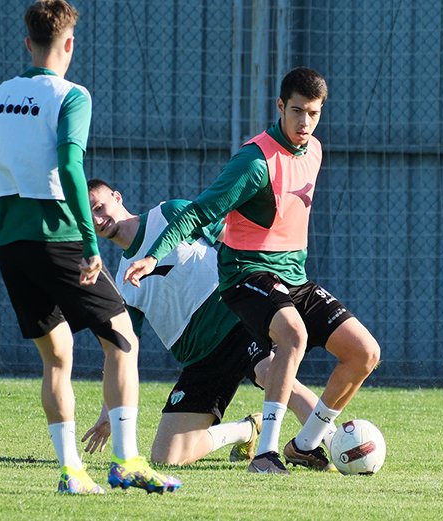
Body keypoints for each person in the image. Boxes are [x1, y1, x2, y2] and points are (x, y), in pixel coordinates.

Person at [0, 0, 180, 495]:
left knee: (57, 357)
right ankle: (126, 461)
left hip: (12, 247)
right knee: (123, 338)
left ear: (27, 42)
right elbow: (72, 167)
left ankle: (72, 471)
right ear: (70, 44)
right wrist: (88, 240)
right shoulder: (72, 96)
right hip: (59, 240)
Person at [124, 67, 381, 474]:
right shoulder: (254, 161)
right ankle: (265, 454)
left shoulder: (314, 151)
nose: (305, 122)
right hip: (246, 275)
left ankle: (305, 444)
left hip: (293, 279)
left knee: (365, 353)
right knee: (292, 335)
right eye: (297, 111)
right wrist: (154, 256)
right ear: (280, 106)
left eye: (313, 113)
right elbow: (199, 211)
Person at [79, 179, 335, 466]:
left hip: (237, 322)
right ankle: (246, 430)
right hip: (199, 361)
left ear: (117, 197)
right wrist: (108, 411)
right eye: (89, 216)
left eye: (99, 207)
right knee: (166, 457)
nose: (98, 219)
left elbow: (233, 237)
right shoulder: (123, 280)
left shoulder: (169, 213)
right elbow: (122, 351)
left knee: (272, 373)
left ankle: (337, 444)